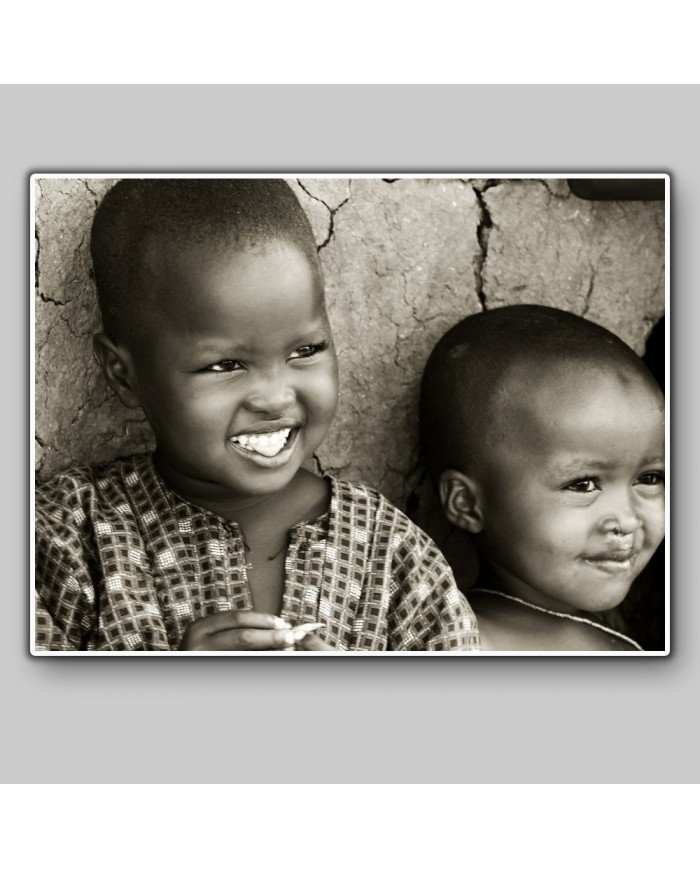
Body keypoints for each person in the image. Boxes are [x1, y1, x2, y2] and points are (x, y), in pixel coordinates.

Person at [34, 179, 479, 653]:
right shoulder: (67, 541)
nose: (274, 397)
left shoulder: (389, 555)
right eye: (224, 365)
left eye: (306, 350)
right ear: (124, 375)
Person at [420, 304, 665, 652]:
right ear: (469, 504)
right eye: (582, 485)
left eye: (650, 478)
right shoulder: (460, 646)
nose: (626, 520)